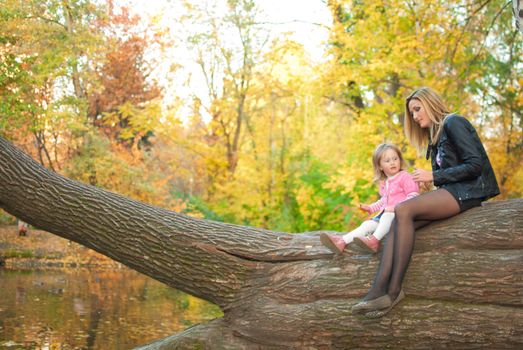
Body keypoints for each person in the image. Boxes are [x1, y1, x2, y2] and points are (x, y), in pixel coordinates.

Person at [351, 87, 500, 318]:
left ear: (430, 104)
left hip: (470, 191)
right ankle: (377, 291)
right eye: (411, 113)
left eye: (417, 109)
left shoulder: (453, 123)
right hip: (453, 191)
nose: (415, 116)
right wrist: (429, 186)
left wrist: (434, 177)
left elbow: (475, 165)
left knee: (402, 209)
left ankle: (392, 291)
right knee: (395, 226)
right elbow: (446, 176)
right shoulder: (436, 138)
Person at [320, 143, 419, 254]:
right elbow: (383, 201)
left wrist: (396, 208)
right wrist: (371, 208)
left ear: (400, 160)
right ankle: (342, 241)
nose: (392, 162)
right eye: (387, 161)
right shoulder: (385, 182)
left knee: (386, 215)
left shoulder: (405, 177)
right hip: (387, 215)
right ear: (380, 166)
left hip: (402, 214)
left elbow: (413, 196)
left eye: (395, 159)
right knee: (367, 224)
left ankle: (374, 241)